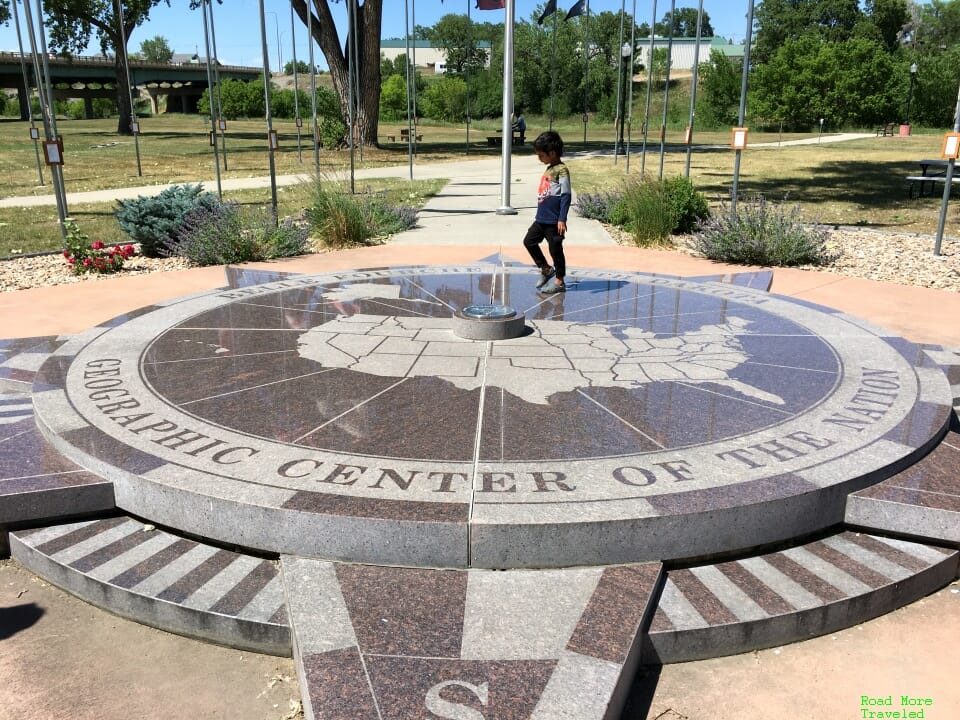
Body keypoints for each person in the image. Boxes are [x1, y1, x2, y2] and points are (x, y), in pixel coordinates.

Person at [523, 130, 570, 295]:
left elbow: (566, 195)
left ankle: (559, 280)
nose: (539, 158)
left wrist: (562, 219)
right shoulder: (550, 168)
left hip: (554, 220)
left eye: (541, 155)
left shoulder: (562, 170)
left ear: (552, 153)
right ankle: (545, 268)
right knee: (529, 241)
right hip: (541, 219)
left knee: (555, 249)